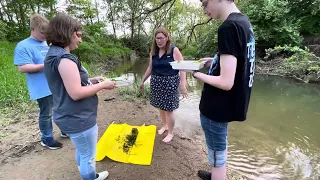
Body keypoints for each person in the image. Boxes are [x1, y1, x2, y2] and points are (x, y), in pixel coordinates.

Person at [44, 12, 116, 180]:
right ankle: (90, 177)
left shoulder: (53, 54)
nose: (80, 40)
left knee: (82, 150)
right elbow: (75, 93)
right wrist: (103, 85)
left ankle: (86, 173)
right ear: (67, 32)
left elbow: (68, 82)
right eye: (78, 35)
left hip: (67, 114)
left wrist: (93, 80)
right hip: (78, 117)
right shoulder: (65, 58)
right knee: (88, 156)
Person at [191, 0, 256, 179]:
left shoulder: (228, 27)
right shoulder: (244, 23)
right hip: (229, 105)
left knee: (216, 155)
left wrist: (197, 74)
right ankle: (215, 174)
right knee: (220, 145)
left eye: (205, 4)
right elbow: (239, 63)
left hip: (216, 107)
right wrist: (215, 61)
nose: (205, 10)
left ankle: (217, 176)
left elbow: (226, 82)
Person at [13, 13, 64, 150]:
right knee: (46, 113)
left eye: (47, 33)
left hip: (56, 84)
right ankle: (47, 139)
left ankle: (65, 130)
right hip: (41, 88)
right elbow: (22, 68)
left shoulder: (48, 44)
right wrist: (46, 65)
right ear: (33, 29)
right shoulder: (23, 46)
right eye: (42, 33)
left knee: (61, 108)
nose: (45, 36)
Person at [139, 27, 188, 143]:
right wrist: (142, 81)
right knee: (161, 106)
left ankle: (171, 133)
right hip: (156, 82)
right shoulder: (153, 52)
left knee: (169, 109)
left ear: (167, 38)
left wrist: (183, 84)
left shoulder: (174, 50)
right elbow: (150, 68)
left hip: (170, 83)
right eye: (157, 38)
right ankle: (165, 125)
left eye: (161, 38)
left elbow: (183, 68)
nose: (159, 41)